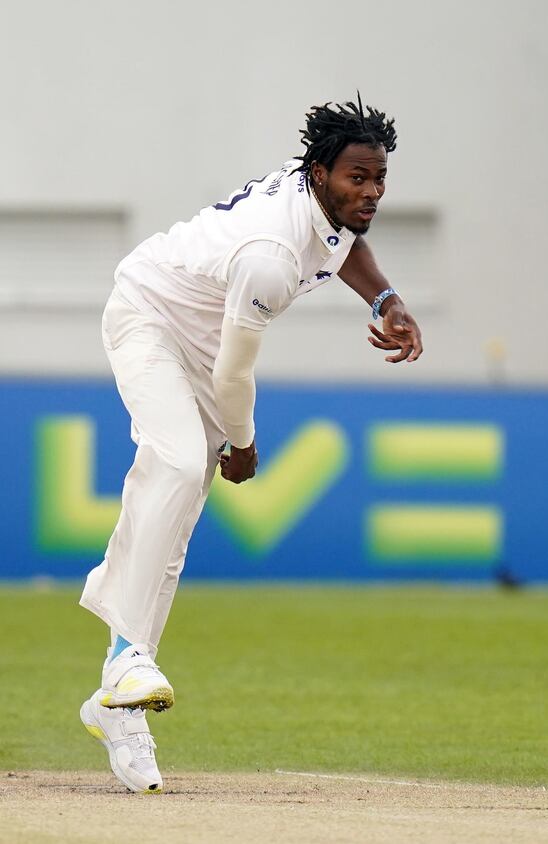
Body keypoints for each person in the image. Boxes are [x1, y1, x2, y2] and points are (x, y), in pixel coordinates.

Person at [77, 97, 423, 793]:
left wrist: (387, 302)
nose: (372, 194)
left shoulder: (321, 200)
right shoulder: (268, 254)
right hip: (149, 316)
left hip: (205, 338)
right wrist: (243, 443)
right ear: (321, 171)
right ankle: (123, 655)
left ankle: (120, 704)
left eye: (379, 179)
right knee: (174, 461)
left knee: (175, 522)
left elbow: (344, 245)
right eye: (358, 178)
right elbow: (235, 373)